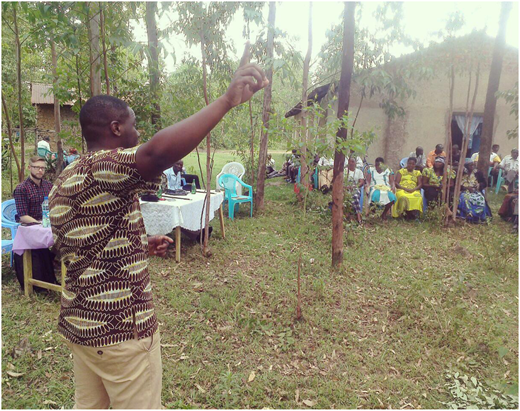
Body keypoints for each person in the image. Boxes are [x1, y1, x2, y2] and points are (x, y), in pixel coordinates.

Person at [48, 47, 267, 409]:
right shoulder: (105, 164)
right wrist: (227, 101)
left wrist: (137, 243)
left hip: (81, 326)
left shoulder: (70, 174)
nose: (138, 134)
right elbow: (156, 153)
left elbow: (77, 242)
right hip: (120, 331)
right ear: (116, 128)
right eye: (133, 126)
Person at [13, 156, 56, 291]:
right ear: (29, 168)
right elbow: (23, 216)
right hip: (30, 227)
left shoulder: (49, 186)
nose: (40, 170)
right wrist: (40, 223)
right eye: (37, 167)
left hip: (47, 225)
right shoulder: (22, 189)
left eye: (42, 168)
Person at [344, 157, 365, 224]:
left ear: (355, 163)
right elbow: (341, 182)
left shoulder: (359, 172)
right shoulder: (345, 171)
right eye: (350, 162)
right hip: (345, 188)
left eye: (353, 162)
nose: (351, 163)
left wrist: (355, 186)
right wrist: (346, 187)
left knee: (355, 196)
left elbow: (361, 182)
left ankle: (357, 215)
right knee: (347, 196)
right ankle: (356, 215)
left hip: (355, 188)